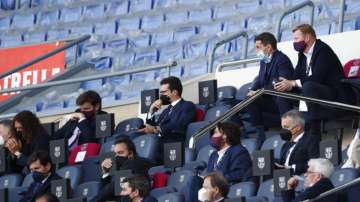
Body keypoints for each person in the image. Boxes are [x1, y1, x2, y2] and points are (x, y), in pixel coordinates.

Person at [274, 24, 355, 142]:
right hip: (312, 94)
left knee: (309, 86)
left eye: (296, 39)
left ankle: (313, 133)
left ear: (307, 38)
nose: (294, 42)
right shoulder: (302, 54)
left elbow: (317, 78)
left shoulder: (323, 50)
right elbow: (296, 77)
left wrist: (293, 83)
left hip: (335, 95)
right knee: (283, 95)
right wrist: (286, 83)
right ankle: (289, 132)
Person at [246, 32, 295, 145]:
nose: (256, 51)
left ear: (268, 47)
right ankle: (260, 133)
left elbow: (281, 82)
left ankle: (288, 130)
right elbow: (259, 80)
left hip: (281, 100)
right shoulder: (264, 61)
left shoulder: (282, 59)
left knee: (280, 96)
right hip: (269, 99)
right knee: (249, 99)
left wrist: (259, 92)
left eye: (258, 47)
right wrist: (252, 90)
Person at [187, 122, 252, 201]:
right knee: (194, 180)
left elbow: (241, 173)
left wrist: (215, 179)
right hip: (212, 189)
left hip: (226, 187)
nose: (212, 136)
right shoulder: (213, 155)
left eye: (216, 132)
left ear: (225, 136)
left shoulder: (239, 151)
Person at [92, 137, 151, 202]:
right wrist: (105, 172)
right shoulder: (122, 168)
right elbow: (105, 193)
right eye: (115, 154)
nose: (116, 157)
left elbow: (109, 190)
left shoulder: (133, 163)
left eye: (120, 153)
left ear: (130, 153)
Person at [139, 76, 196, 142]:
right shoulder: (166, 111)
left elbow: (177, 125)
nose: (161, 95)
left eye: (164, 92)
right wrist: (151, 112)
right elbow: (153, 126)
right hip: (156, 141)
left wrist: (156, 129)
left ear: (174, 92)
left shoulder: (187, 106)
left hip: (173, 143)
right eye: (161, 93)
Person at [277, 110, 319, 175]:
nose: (283, 131)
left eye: (286, 127)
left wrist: (292, 168)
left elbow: (314, 164)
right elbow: (281, 165)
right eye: (282, 127)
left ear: (298, 128)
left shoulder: (311, 141)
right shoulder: (285, 145)